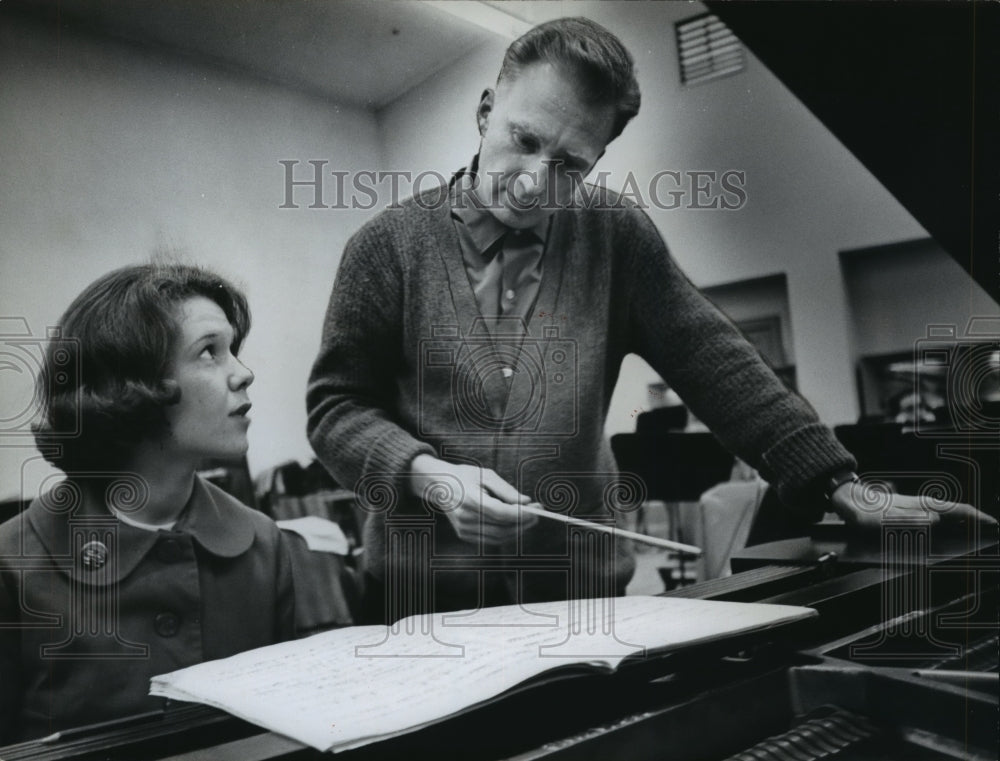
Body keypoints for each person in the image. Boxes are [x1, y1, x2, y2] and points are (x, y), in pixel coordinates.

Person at [306, 18, 992, 623]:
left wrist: (843, 485)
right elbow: (335, 408)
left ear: (597, 161)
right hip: (417, 600)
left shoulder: (617, 237)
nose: (533, 181)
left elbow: (720, 365)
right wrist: (428, 474)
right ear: (486, 110)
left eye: (569, 164)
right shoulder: (386, 245)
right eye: (524, 139)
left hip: (577, 602)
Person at [0, 264, 296, 741]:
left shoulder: (263, 544)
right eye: (209, 352)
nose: (244, 373)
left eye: (234, 350)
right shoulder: (12, 565)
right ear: (129, 387)